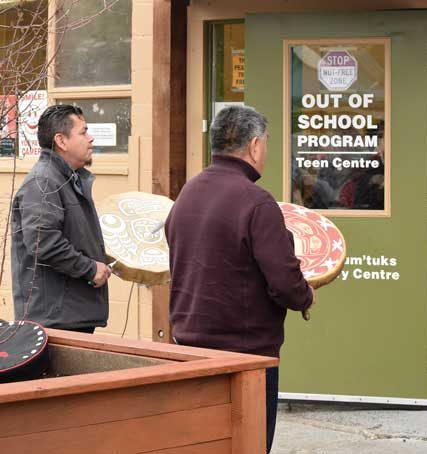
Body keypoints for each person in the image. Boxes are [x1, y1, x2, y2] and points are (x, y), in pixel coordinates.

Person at [165, 105, 315, 454]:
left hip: (190, 349)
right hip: (246, 357)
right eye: (265, 143)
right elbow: (284, 280)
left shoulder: (188, 192)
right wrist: (305, 297)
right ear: (254, 146)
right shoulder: (257, 202)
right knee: (248, 445)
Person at [11, 104, 111, 334]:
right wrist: (89, 268)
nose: (91, 138)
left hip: (71, 315)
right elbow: (43, 243)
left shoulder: (67, 180)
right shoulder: (44, 183)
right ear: (61, 141)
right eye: (83, 132)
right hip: (55, 322)